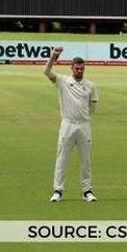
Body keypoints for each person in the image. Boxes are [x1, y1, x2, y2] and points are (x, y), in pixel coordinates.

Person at [44, 47, 99, 203]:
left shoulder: (90, 85)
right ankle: (57, 190)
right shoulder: (63, 81)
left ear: (84, 69)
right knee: (62, 158)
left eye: (81, 68)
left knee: (85, 160)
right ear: (72, 68)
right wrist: (53, 56)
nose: (79, 71)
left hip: (84, 125)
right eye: (76, 68)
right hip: (67, 124)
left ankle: (87, 190)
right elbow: (47, 72)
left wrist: (85, 117)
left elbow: (93, 104)